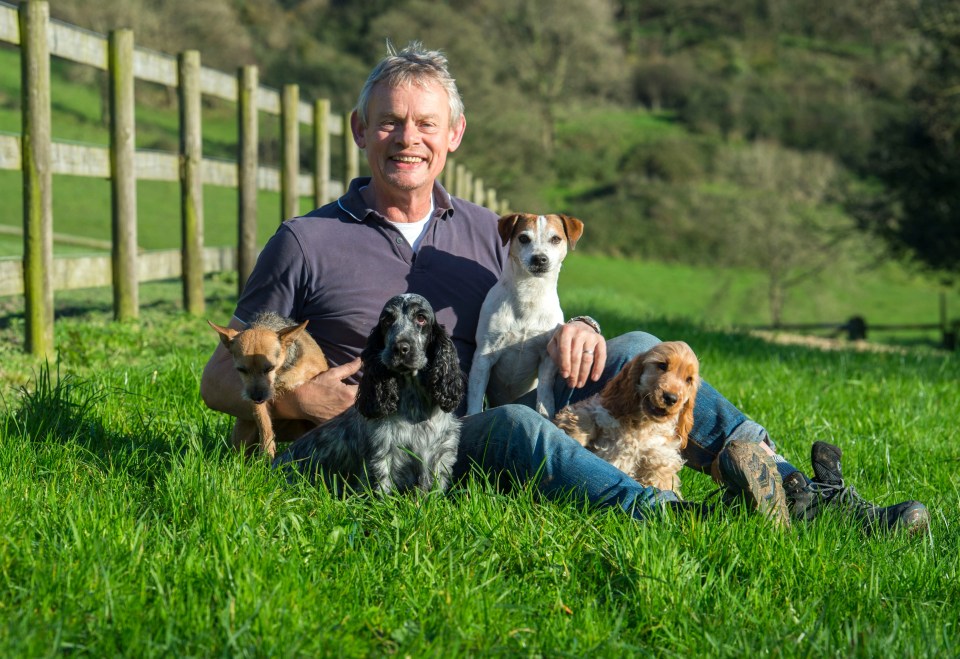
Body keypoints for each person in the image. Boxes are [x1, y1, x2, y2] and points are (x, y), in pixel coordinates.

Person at [200, 41, 928, 534]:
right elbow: (217, 376)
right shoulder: (308, 239)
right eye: (390, 121)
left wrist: (577, 324)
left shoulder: (491, 228)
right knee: (516, 429)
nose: (407, 137)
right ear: (360, 129)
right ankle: (667, 517)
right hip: (404, 438)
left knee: (642, 347)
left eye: (426, 122)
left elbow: (533, 310)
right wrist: (295, 397)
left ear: (454, 133)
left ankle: (802, 492)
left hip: (500, 387)